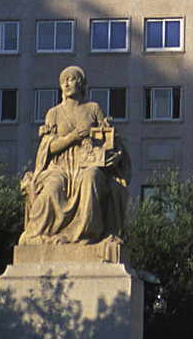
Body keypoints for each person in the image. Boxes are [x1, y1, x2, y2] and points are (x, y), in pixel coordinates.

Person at [18, 65, 129, 245]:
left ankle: (86, 235)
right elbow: (49, 147)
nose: (66, 84)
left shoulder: (93, 109)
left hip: (86, 163)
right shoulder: (54, 113)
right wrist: (73, 137)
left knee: (90, 178)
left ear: (80, 83)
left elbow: (107, 138)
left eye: (71, 79)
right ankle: (37, 234)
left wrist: (106, 136)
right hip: (59, 167)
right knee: (51, 189)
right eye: (63, 81)